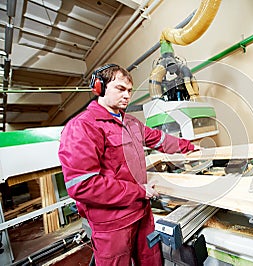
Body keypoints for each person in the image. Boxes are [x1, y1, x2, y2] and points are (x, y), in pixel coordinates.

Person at [58, 64, 195, 265]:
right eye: (120, 89)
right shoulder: (83, 126)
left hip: (141, 213)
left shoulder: (131, 123)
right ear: (99, 88)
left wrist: (189, 147)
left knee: (152, 261)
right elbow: (82, 185)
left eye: (129, 90)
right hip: (113, 224)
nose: (127, 96)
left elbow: (158, 139)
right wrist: (138, 191)